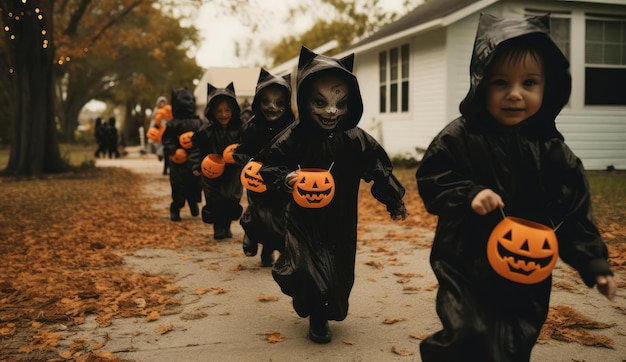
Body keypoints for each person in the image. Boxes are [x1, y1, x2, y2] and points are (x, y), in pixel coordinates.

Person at [415, 13, 616, 361]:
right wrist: (469, 193)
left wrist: (594, 263)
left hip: (528, 267)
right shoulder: (460, 137)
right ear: (481, 82)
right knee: (466, 332)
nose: (514, 95)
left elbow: (572, 210)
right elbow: (433, 177)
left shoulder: (553, 151)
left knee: (514, 340)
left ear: (547, 86)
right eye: (500, 83)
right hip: (466, 260)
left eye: (529, 84)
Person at [260, 46, 408, 344]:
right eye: (320, 102)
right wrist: (286, 178)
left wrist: (393, 198)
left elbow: (377, 167)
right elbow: (268, 166)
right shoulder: (294, 136)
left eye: (340, 104)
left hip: (341, 218)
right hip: (303, 219)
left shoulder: (355, 139)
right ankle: (314, 312)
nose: (331, 111)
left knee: (338, 273)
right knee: (304, 267)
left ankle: (324, 313)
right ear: (304, 100)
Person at [233, 68, 296, 267]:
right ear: (257, 101)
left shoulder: (293, 129)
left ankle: (270, 249)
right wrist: (246, 161)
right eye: (266, 101)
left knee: (279, 217)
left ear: (287, 104)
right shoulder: (251, 127)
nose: (272, 107)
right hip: (257, 179)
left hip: (281, 178)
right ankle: (250, 232)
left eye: (279, 103)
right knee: (258, 213)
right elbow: (241, 150)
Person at [189, 82, 243, 240]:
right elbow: (196, 148)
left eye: (227, 110)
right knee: (216, 199)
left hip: (233, 172)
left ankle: (226, 224)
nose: (223, 114)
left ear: (233, 110)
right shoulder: (206, 131)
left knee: (231, 198)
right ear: (212, 111)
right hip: (212, 172)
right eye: (219, 111)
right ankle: (219, 227)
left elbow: (248, 147)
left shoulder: (240, 129)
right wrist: (196, 163)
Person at [161, 88, 206, 222]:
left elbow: (204, 138)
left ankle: (193, 202)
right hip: (178, 162)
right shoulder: (173, 124)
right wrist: (173, 150)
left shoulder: (199, 122)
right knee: (178, 186)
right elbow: (166, 139)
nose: (189, 103)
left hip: (194, 160)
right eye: (185, 101)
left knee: (195, 185)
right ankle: (176, 207)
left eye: (190, 100)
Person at [149, 96, 170, 175]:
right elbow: (153, 123)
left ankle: (165, 168)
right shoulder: (156, 112)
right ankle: (160, 156)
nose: (162, 104)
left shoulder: (168, 111)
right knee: (161, 149)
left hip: (166, 133)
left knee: (166, 151)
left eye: (163, 102)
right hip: (159, 134)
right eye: (161, 102)